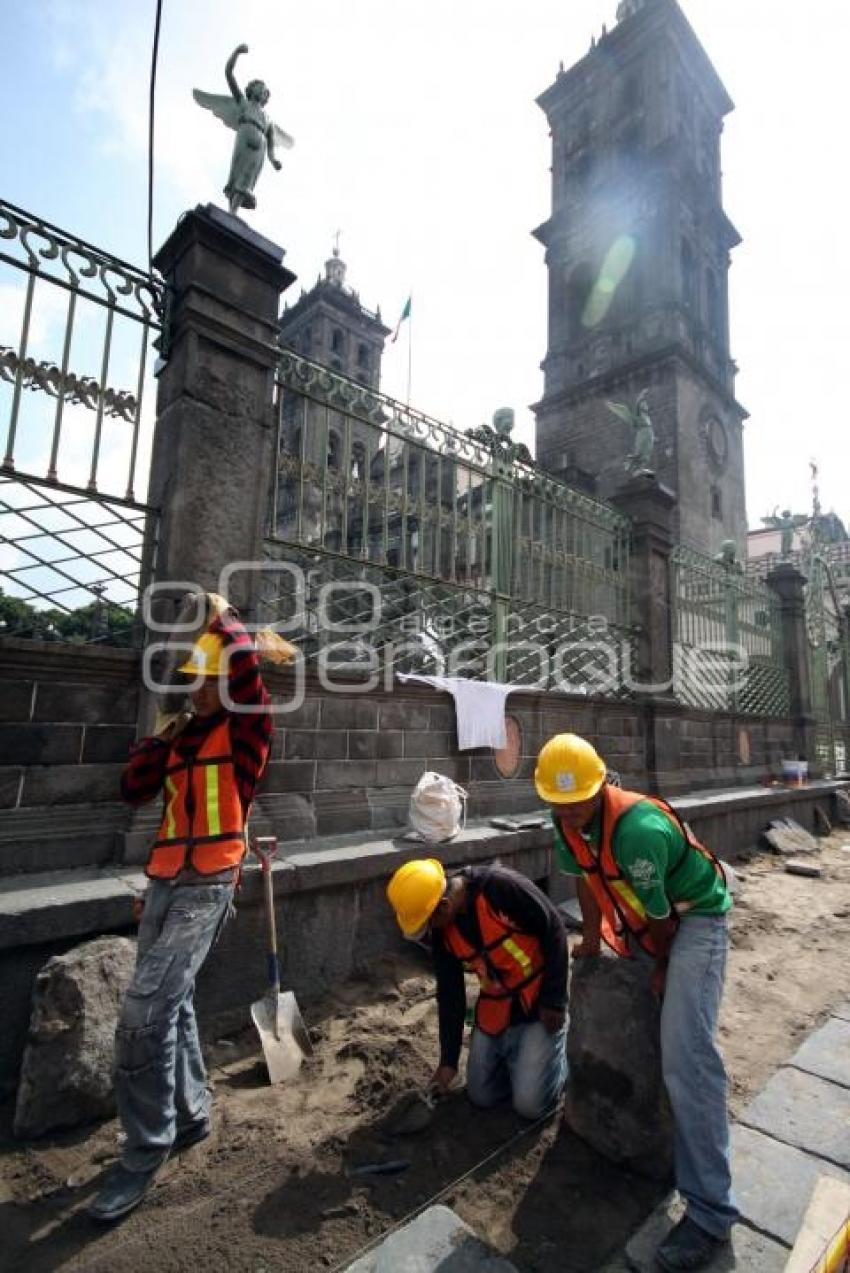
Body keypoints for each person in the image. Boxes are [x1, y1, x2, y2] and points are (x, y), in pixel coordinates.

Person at [89, 596, 273, 1222]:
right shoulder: (181, 737)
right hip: (165, 880)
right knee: (175, 1002)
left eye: (207, 683)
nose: (197, 693)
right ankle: (191, 1114)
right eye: (194, 684)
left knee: (143, 1017)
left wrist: (223, 620)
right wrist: (161, 736)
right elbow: (131, 789)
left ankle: (145, 1148)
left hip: (210, 883)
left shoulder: (247, 733)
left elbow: (248, 673)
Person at [535, 733, 738, 1272]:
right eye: (559, 805)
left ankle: (711, 1215)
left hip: (693, 920)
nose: (571, 814)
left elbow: (662, 918)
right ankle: (666, 1141)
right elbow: (583, 879)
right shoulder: (565, 824)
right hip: (649, 924)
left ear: (601, 786)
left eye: (578, 802)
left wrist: (664, 969)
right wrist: (595, 946)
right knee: (653, 1038)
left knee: (688, 1058)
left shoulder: (638, 833)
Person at [386, 859, 568, 1120]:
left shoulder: (501, 888)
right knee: (482, 1095)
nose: (428, 935)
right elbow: (450, 994)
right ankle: (523, 1059)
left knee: (530, 1107)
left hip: (538, 1000)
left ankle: (556, 1061)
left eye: (427, 925)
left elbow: (555, 929)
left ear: (444, 907)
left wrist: (555, 1000)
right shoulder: (443, 931)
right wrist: (448, 1063)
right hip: (497, 1005)